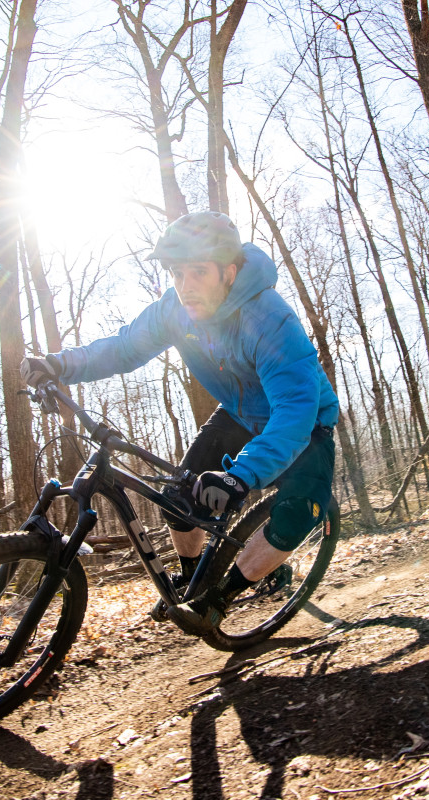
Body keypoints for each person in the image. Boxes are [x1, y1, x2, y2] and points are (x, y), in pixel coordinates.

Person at [20, 211, 338, 635]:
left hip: (303, 420)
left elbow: (294, 412)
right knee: (179, 497)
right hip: (240, 412)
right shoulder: (175, 309)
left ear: (228, 272)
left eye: (198, 272)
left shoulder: (270, 320)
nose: (185, 286)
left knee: (299, 510)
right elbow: (123, 348)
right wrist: (59, 365)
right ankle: (191, 577)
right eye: (176, 273)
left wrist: (241, 477)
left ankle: (218, 599)